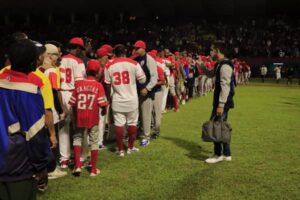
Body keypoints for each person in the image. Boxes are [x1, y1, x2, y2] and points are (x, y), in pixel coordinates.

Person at [0, 39, 50, 200]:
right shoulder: (29, 91)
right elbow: (35, 135)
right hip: (16, 166)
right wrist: (42, 166)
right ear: (32, 62)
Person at [105, 44, 146, 156]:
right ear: (125, 52)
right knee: (132, 123)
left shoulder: (109, 64)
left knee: (119, 124)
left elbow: (107, 84)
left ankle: (120, 149)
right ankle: (130, 147)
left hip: (117, 99)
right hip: (132, 98)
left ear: (115, 53)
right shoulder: (133, 63)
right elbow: (142, 80)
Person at [69, 59, 108, 176]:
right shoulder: (98, 85)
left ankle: (77, 167)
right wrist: (104, 111)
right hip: (93, 118)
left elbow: (72, 102)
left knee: (77, 139)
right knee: (94, 142)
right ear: (97, 73)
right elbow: (103, 104)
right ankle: (93, 170)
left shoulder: (78, 84)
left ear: (86, 71)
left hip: (80, 117)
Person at [201, 41, 236, 164]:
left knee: (216, 126)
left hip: (222, 102)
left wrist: (221, 104)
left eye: (212, 49)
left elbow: (225, 86)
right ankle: (226, 153)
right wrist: (202, 67)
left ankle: (218, 154)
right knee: (221, 127)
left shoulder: (225, 66)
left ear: (218, 50)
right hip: (222, 102)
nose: (210, 52)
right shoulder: (219, 64)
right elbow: (211, 74)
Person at [59, 37, 86, 168]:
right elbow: (79, 83)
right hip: (73, 93)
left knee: (63, 128)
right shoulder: (79, 62)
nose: (81, 51)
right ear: (78, 48)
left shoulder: (60, 60)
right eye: (80, 49)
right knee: (78, 127)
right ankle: (79, 157)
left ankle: (64, 159)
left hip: (60, 93)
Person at [133, 40, 158, 147]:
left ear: (144, 48)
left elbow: (154, 77)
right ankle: (140, 133)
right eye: (135, 48)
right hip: (137, 92)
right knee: (139, 116)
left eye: (138, 48)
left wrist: (147, 89)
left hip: (146, 93)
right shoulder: (137, 59)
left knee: (146, 115)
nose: (136, 50)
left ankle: (146, 137)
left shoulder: (149, 59)